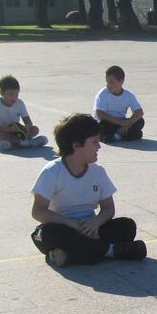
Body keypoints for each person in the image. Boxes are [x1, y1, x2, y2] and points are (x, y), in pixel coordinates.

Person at [30, 113, 146, 267]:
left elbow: (108, 209)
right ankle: (110, 251)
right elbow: (38, 211)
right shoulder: (52, 172)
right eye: (94, 142)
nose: (99, 146)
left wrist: (95, 222)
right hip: (64, 228)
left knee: (127, 226)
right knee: (44, 234)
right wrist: (72, 224)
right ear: (76, 145)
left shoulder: (98, 172)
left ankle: (72, 255)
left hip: (91, 228)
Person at [0, 75, 48, 152]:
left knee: (35, 129)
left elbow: (28, 122)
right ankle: (25, 143)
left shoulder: (20, 103)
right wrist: (8, 130)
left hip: (16, 132)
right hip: (2, 131)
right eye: (10, 95)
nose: (14, 98)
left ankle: (12, 144)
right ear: (1, 93)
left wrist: (26, 129)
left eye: (16, 95)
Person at [93, 65, 144, 143]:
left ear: (121, 81)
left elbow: (139, 112)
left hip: (122, 124)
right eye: (107, 82)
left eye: (112, 82)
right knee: (102, 125)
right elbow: (100, 114)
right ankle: (121, 135)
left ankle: (116, 136)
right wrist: (120, 122)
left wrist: (128, 124)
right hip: (107, 122)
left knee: (140, 121)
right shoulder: (103, 94)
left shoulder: (128, 95)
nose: (108, 85)